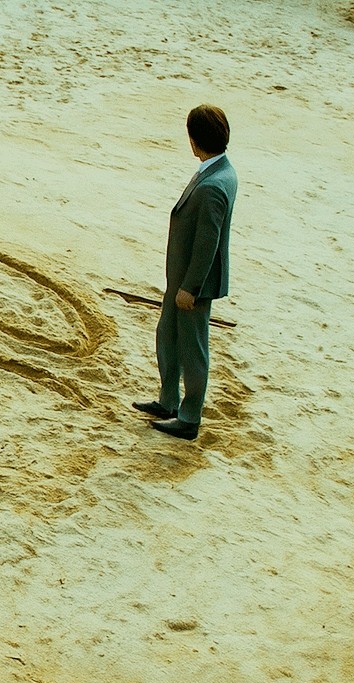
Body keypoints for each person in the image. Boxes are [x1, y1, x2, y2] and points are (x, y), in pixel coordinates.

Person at [133, 104, 237, 440]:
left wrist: (190, 287)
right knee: (169, 336)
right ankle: (168, 401)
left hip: (193, 283)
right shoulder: (217, 170)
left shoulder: (212, 186)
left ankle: (189, 417)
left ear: (195, 139)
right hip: (180, 277)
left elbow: (208, 243)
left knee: (192, 348)